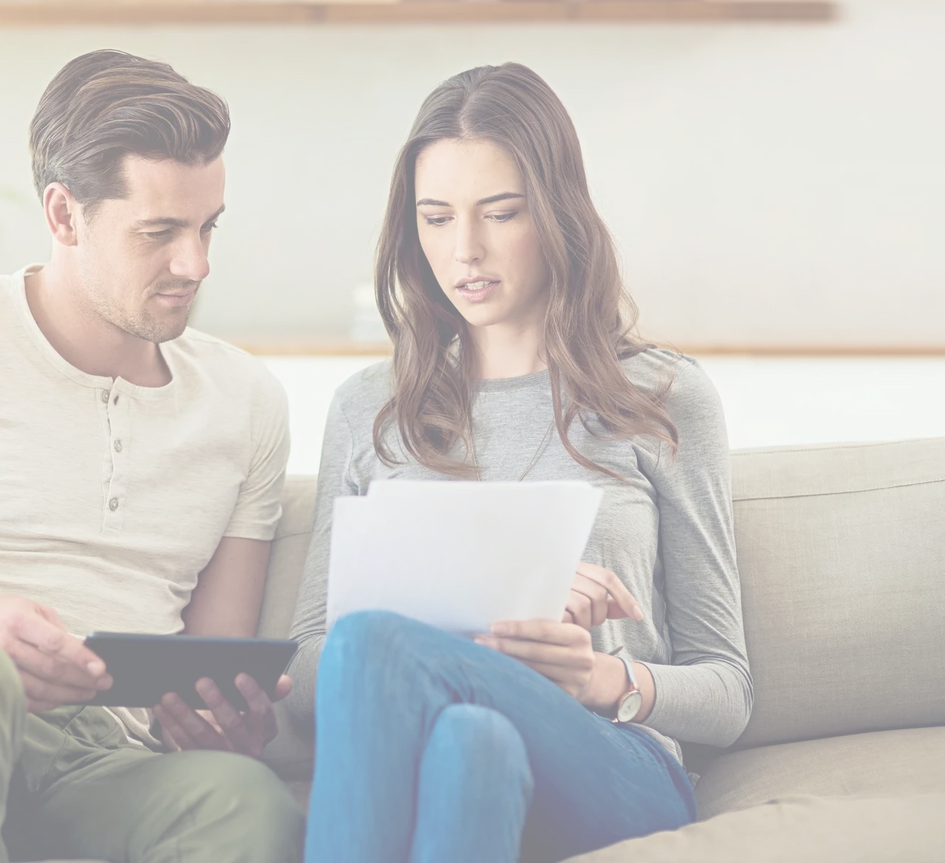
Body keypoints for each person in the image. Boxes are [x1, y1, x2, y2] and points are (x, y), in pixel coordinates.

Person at [0, 49, 303, 863]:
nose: (196, 265)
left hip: (106, 761)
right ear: (65, 215)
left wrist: (216, 719)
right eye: (160, 232)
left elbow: (210, 657)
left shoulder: (247, 400)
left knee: (243, 801)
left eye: (207, 226)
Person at [286, 62, 752, 863]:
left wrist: (605, 679)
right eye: (436, 219)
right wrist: (491, 601)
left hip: (611, 762)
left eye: (500, 213)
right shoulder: (368, 408)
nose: (464, 250)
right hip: (441, 742)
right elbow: (305, 672)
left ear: (556, 212)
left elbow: (728, 689)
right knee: (470, 743)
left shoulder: (664, 397)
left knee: (374, 645)